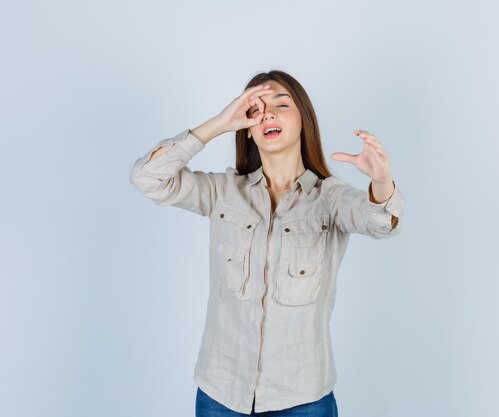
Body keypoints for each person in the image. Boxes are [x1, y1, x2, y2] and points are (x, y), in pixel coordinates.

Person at [129, 70, 405, 416]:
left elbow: (382, 223)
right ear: (247, 127)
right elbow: (147, 178)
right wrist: (217, 124)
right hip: (221, 395)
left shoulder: (330, 199)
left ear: (304, 119)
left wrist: (381, 182)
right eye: (255, 108)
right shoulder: (224, 192)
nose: (268, 113)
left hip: (303, 399)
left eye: (281, 104)